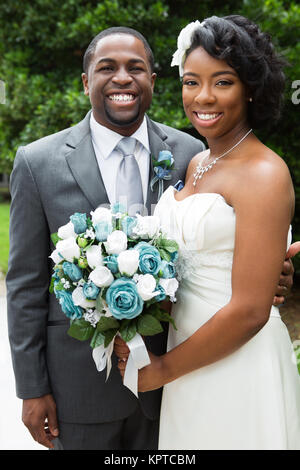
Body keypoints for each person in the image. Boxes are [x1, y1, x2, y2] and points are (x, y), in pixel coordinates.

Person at [6, 25, 294, 451]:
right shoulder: (39, 163)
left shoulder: (185, 151)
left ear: (152, 81)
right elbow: (25, 285)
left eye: (135, 67)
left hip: (174, 376)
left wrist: (275, 273)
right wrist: (32, 388)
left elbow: (243, 272)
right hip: (82, 390)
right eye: (107, 67)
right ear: (86, 81)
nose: (122, 78)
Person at [115, 16, 300, 450]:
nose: (202, 97)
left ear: (250, 88)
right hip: (187, 359)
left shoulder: (265, 173)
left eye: (222, 82)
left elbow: (252, 311)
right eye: (191, 81)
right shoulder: (197, 162)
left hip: (237, 363)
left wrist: (161, 370)